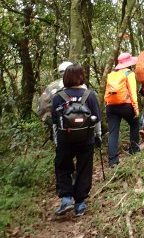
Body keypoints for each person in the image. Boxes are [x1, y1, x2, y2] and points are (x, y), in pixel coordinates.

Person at [51, 64, 101, 217]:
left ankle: (66, 198)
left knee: (63, 167)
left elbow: (54, 121)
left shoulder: (58, 96)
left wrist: (56, 141)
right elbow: (97, 119)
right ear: (81, 77)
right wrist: (98, 135)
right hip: (86, 138)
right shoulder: (89, 95)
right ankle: (80, 203)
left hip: (65, 138)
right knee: (84, 168)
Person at [104, 52, 140, 168]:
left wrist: (107, 105)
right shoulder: (129, 74)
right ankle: (134, 149)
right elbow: (133, 93)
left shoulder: (111, 74)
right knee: (134, 123)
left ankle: (113, 161)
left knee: (113, 132)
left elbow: (107, 93)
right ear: (129, 64)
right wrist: (136, 108)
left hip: (111, 106)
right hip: (126, 105)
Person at [37, 61, 73, 130]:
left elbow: (41, 108)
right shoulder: (81, 85)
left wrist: (50, 121)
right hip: (81, 124)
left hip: (59, 124)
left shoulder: (52, 86)